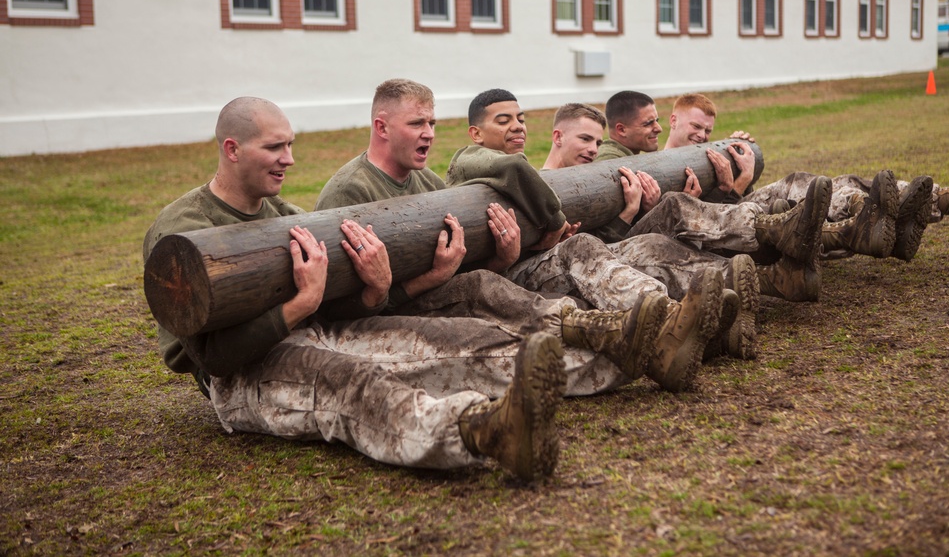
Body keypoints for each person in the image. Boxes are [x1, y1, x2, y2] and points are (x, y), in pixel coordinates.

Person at [143, 96, 570, 482]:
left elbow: (333, 310)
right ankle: (486, 431)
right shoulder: (184, 234)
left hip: (313, 331)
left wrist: (373, 292)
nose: (288, 159)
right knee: (354, 381)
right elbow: (213, 360)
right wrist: (301, 304)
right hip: (237, 377)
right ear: (232, 149)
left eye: (290, 145)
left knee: (442, 341)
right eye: (274, 148)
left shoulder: (286, 215)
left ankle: (589, 358)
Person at [314, 79, 685, 394]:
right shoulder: (349, 194)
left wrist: (501, 258)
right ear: (382, 128)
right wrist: (429, 279)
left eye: (432, 122)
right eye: (417, 123)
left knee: (502, 281)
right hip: (390, 316)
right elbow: (336, 310)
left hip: (442, 291)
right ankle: (631, 339)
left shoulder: (428, 183)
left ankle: (658, 335)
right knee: (485, 307)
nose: (429, 133)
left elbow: (460, 256)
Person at [447, 88, 737, 392]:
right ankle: (674, 322)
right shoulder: (471, 160)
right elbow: (513, 178)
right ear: (475, 133)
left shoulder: (540, 179)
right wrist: (554, 228)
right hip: (498, 286)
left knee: (630, 246)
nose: (518, 126)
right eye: (504, 120)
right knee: (588, 252)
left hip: (533, 271)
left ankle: (691, 323)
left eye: (521, 119)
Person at [662, 92, 949, 262]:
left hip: (742, 206)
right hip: (729, 236)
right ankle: (873, 226)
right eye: (696, 127)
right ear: (674, 120)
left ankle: (948, 200)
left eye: (708, 130)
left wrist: (741, 172)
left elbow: (731, 200)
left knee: (818, 182)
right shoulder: (653, 166)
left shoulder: (707, 154)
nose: (703, 136)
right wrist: (732, 187)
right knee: (795, 214)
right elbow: (713, 223)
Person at [544, 102, 760, 361]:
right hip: (582, 275)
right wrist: (627, 214)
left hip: (609, 261)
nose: (593, 149)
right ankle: (699, 311)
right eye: (585, 139)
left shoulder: (594, 176)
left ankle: (764, 238)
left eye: (598, 143)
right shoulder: (543, 189)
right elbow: (590, 252)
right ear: (558, 137)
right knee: (654, 238)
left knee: (667, 216)